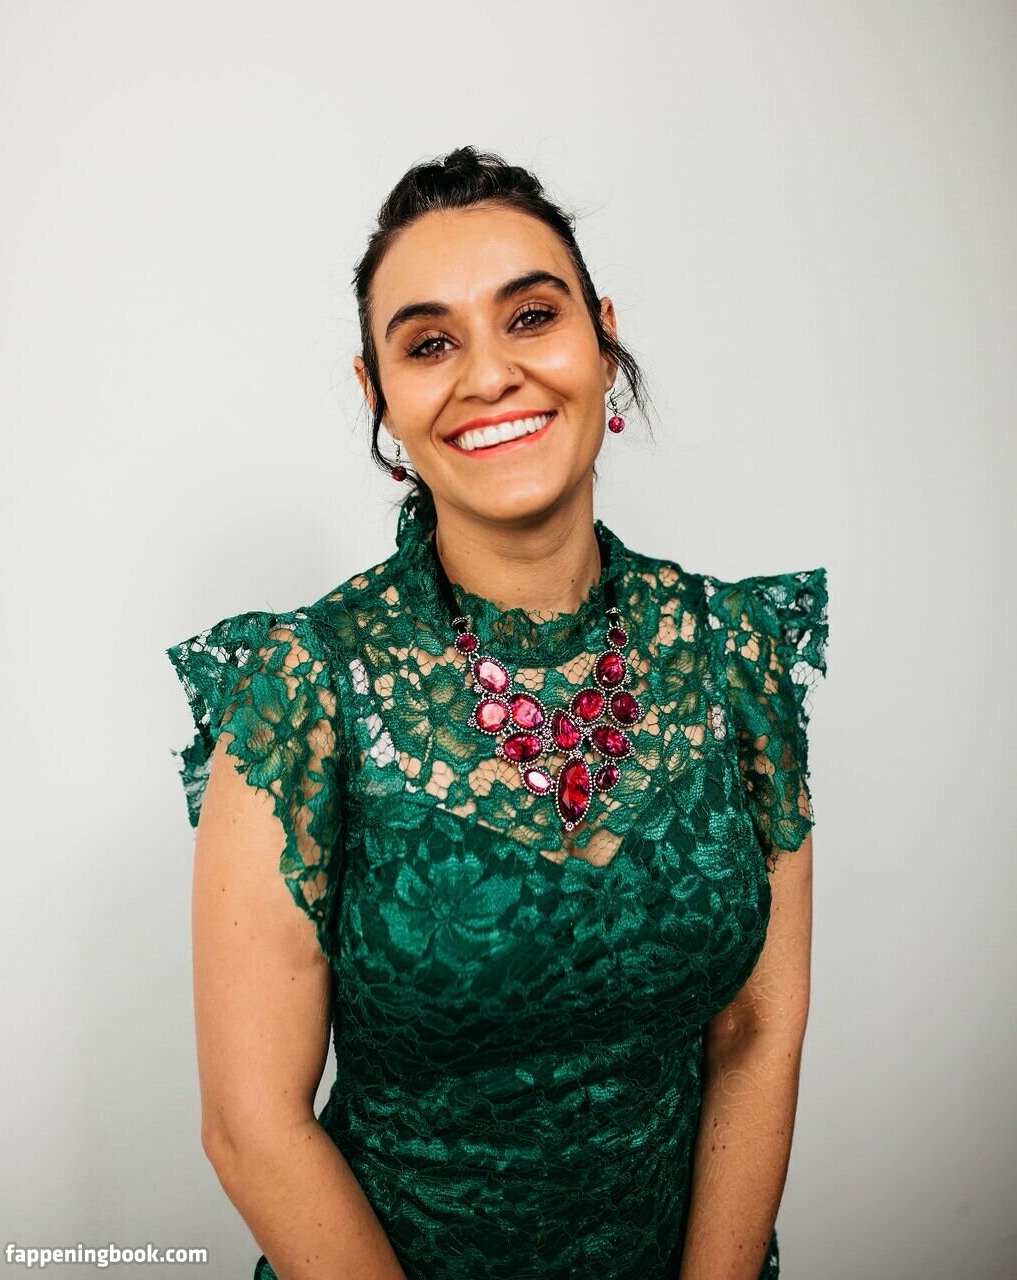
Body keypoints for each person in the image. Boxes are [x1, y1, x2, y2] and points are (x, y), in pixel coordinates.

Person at [166, 146, 829, 1280]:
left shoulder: (734, 651)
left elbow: (757, 1028)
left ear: (602, 339)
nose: (488, 375)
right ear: (379, 395)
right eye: (429, 343)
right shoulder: (304, 689)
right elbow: (251, 1128)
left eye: (530, 316)